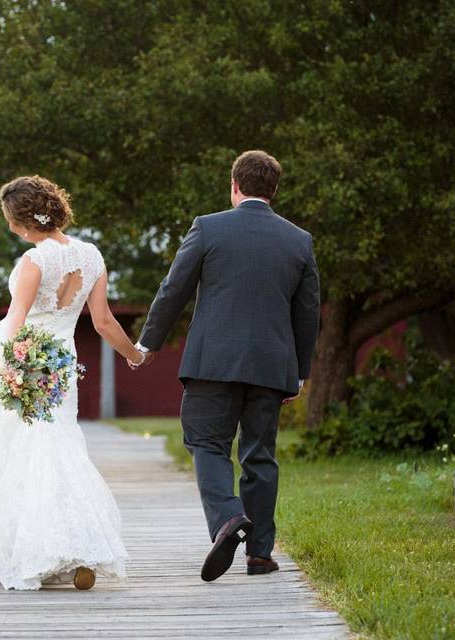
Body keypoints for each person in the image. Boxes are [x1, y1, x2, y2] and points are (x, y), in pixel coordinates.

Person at [134, 150, 320, 581]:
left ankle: (227, 519)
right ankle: (259, 554)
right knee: (260, 455)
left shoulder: (208, 227)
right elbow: (307, 313)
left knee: (207, 443)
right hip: (272, 366)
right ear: (273, 189)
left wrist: (149, 343)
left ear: (234, 185)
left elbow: (173, 288)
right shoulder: (299, 240)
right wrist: (298, 371)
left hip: (212, 363)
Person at [0, 175, 142, 591]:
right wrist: (133, 354)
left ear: (20, 219)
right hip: (62, 367)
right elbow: (103, 321)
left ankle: (41, 553)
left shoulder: (34, 262)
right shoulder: (92, 256)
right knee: (60, 444)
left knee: (21, 454)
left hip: (24, 361)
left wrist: (0, 363)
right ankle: (80, 547)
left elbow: (16, 318)